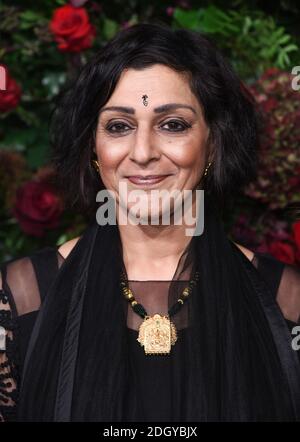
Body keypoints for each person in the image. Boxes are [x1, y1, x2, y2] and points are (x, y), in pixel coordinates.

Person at [0, 22, 300, 422]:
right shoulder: (20, 300)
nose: (142, 152)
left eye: (172, 124)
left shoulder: (286, 303)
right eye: (119, 126)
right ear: (94, 146)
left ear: (213, 142)